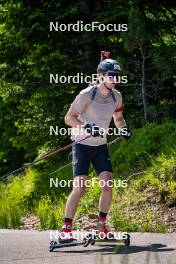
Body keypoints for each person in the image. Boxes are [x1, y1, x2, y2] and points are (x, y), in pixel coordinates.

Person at [60, 51, 132, 242]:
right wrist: (86, 127)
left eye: (117, 76)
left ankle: (101, 226)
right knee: (80, 188)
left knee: (107, 183)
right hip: (82, 145)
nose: (115, 79)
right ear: (101, 77)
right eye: (111, 76)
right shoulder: (87, 94)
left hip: (100, 146)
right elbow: (68, 118)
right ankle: (66, 229)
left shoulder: (117, 97)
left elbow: (118, 119)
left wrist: (124, 129)